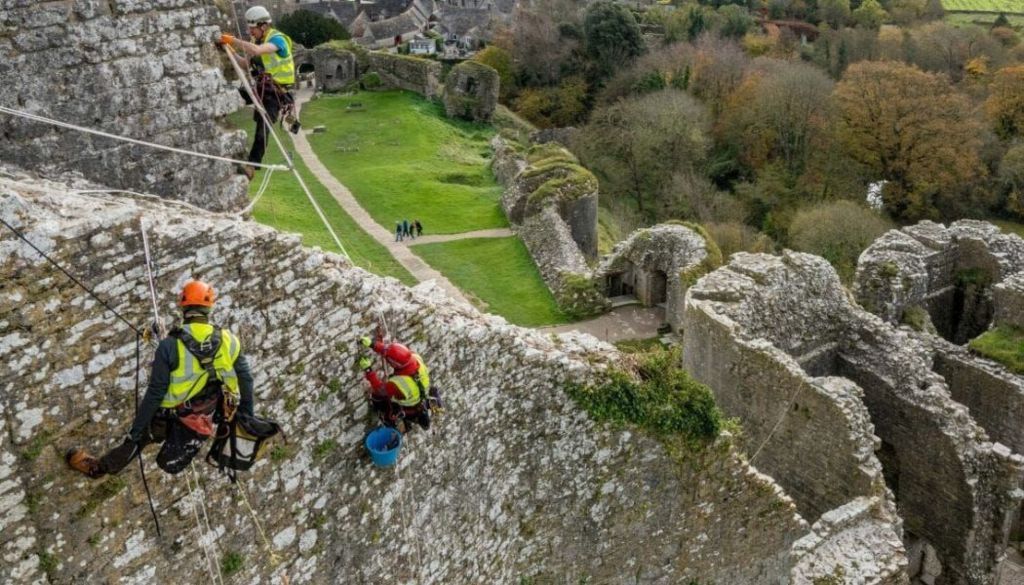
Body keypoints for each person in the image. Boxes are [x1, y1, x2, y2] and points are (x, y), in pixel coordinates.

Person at [66, 280, 256, 478]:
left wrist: (136, 430)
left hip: (169, 416)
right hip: (203, 415)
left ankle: (98, 469)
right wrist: (247, 419)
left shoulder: (169, 345)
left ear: (183, 307)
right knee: (154, 436)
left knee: (139, 439)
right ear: (209, 307)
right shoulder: (229, 340)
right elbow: (246, 380)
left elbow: (156, 392)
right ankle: (105, 463)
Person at [219, 6, 298, 180]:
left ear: (263, 26)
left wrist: (232, 40)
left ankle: (251, 167)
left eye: (252, 28)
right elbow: (243, 64)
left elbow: (255, 52)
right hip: (262, 88)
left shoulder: (279, 40)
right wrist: (229, 49)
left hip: (276, 94)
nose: (250, 32)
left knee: (263, 128)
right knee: (229, 97)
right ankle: (217, 123)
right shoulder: (256, 42)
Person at [355, 335, 436, 432]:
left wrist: (368, 370)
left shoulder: (398, 384)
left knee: (379, 398)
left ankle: (392, 423)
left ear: (394, 364)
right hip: (420, 397)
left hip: (408, 406)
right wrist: (372, 344)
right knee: (417, 412)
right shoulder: (415, 358)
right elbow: (392, 354)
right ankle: (415, 421)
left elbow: (380, 389)